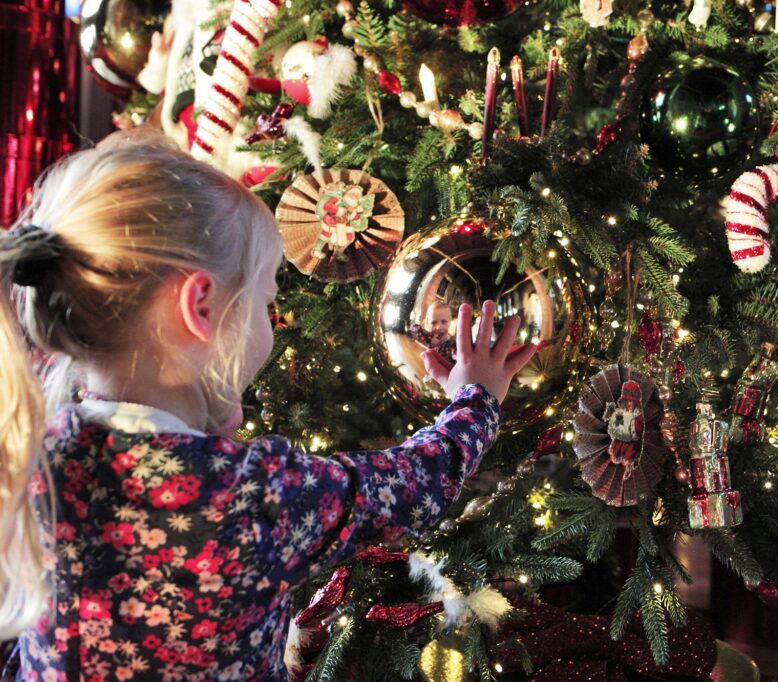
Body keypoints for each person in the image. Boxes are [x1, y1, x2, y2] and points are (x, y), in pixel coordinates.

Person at [0, 138, 536, 680]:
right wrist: (477, 397)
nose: (269, 320)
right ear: (201, 307)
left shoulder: (30, 448)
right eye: (265, 301)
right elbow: (415, 487)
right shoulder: (249, 493)